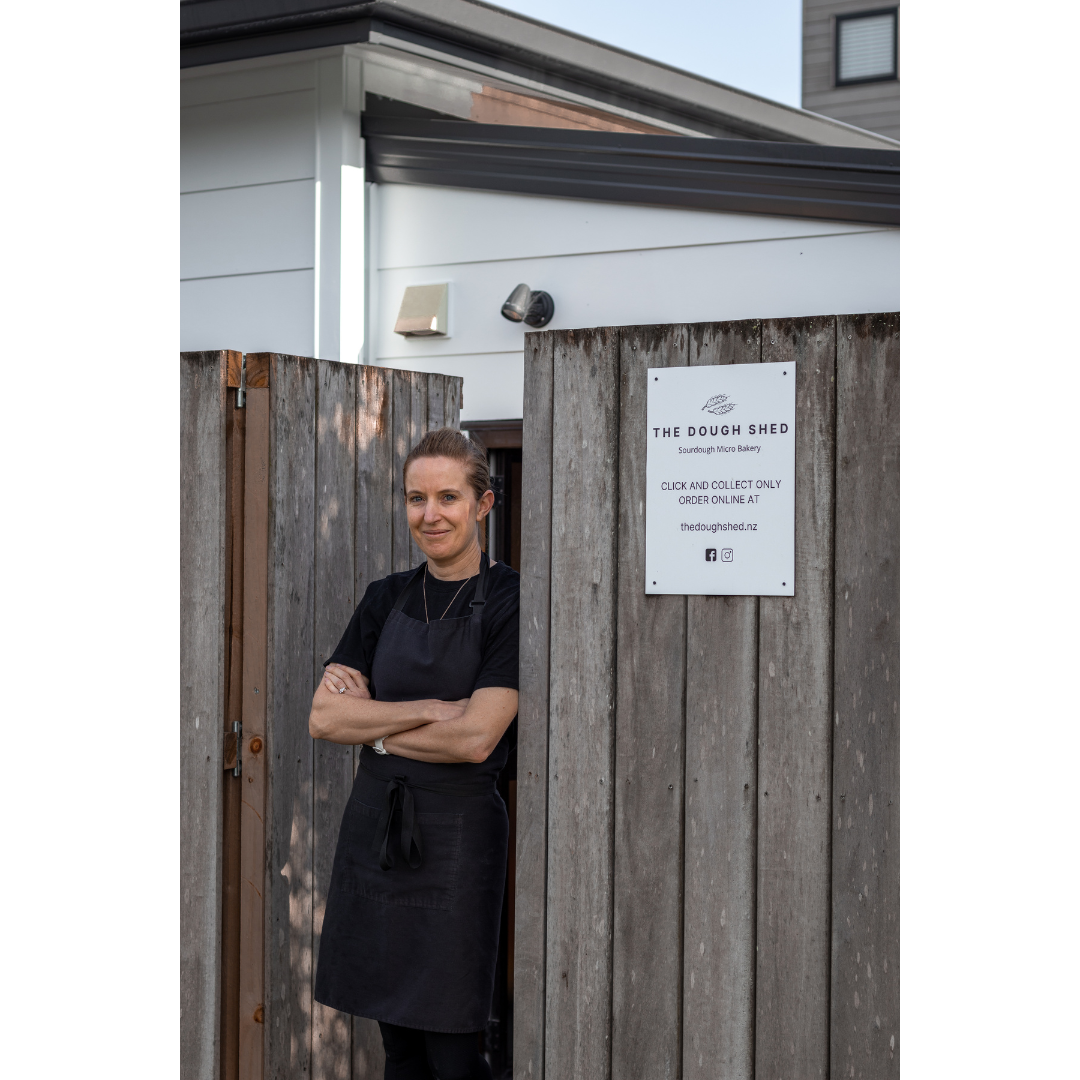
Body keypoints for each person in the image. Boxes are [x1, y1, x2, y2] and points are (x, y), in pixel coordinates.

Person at [310, 427, 519, 1080]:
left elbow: (477, 737)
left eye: (449, 497)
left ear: (483, 505)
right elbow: (323, 717)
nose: (430, 514)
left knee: (458, 1047)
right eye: (416, 498)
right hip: (377, 831)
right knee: (397, 1044)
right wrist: (428, 709)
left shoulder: (512, 602)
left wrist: (370, 726)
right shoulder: (384, 598)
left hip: (458, 841)